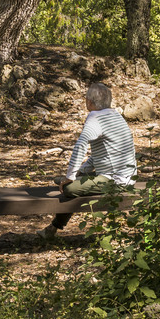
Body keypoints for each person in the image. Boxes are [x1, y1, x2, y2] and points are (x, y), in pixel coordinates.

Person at [42, 81, 136, 237]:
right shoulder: (115, 115)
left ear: (89, 101)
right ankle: (52, 229)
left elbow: (81, 145)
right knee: (66, 182)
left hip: (115, 181)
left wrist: (70, 176)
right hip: (125, 176)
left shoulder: (95, 117)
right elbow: (102, 154)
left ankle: (54, 227)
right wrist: (81, 171)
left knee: (69, 189)